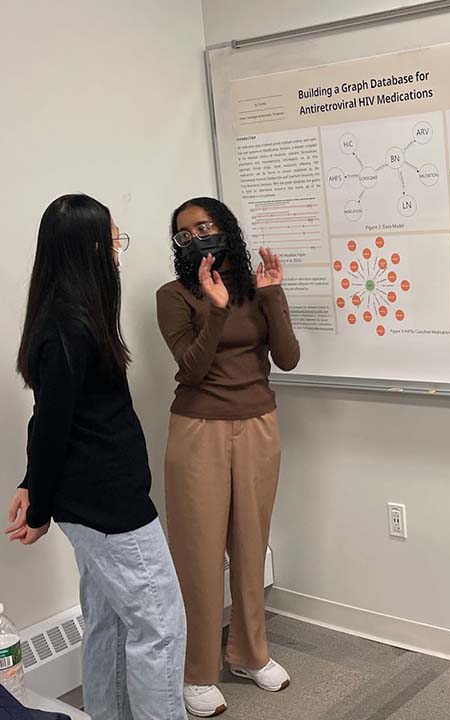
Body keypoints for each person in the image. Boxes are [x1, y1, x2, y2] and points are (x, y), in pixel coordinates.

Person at [5, 194, 186, 719]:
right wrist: (38, 507)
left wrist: (32, 484)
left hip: (93, 503)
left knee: (111, 622)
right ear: (86, 251)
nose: (117, 251)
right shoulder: (68, 328)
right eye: (111, 241)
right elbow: (51, 428)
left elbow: (50, 415)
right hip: (108, 508)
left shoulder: (71, 318)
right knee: (160, 627)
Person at [156, 197, 300, 717]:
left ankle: (249, 654)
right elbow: (191, 370)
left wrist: (273, 295)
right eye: (185, 233)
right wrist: (215, 312)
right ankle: (196, 671)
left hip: (260, 424)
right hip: (198, 430)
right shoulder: (173, 296)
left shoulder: (255, 288)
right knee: (198, 553)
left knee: (250, 542)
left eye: (205, 226)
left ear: (226, 228)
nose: (197, 237)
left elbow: (287, 358)